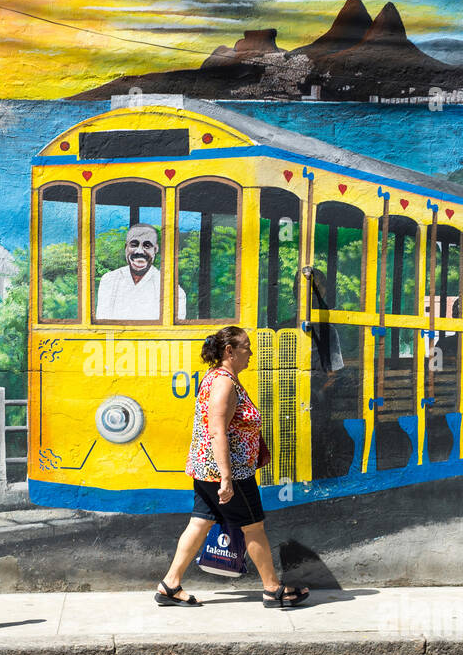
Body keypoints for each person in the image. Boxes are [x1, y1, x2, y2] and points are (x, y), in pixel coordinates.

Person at [155, 325, 310, 608]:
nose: (251, 353)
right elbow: (217, 430)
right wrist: (226, 477)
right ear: (230, 351)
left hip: (207, 470)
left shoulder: (217, 377)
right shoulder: (224, 382)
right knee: (253, 527)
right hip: (230, 473)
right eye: (246, 347)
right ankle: (272, 589)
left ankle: (170, 584)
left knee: (200, 522)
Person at [94, 223, 187, 320]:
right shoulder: (109, 280)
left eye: (147, 246)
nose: (140, 251)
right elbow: (102, 325)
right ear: (126, 248)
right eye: (134, 245)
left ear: (155, 249)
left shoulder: (172, 290)